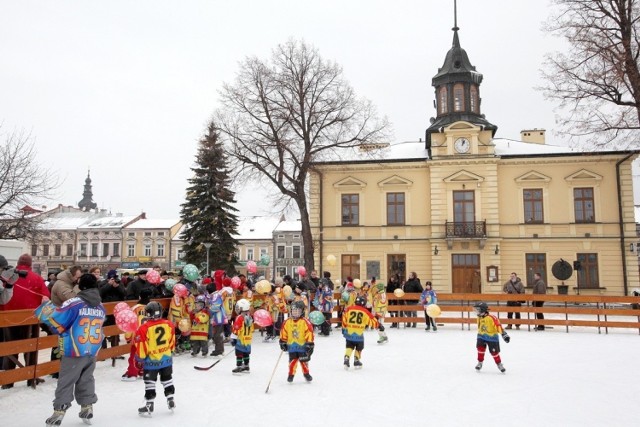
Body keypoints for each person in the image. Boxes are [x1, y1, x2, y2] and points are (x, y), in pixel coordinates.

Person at [39, 273, 106, 426]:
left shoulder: (74, 303)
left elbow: (58, 324)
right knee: (86, 377)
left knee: (67, 379)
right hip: (92, 348)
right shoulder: (100, 306)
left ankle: (59, 410)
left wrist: (46, 310)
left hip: (74, 348)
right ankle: (87, 406)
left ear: (80, 286)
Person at [0, 253, 50, 389]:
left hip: (8, 318)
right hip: (30, 319)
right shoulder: (37, 278)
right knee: (30, 348)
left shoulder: (8, 275)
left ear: (18, 262)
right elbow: (46, 296)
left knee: (10, 349)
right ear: (30, 264)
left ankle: (8, 381)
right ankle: (30, 377)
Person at [134, 301, 176, 416]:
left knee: (150, 382)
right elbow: (171, 341)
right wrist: (170, 351)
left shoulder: (143, 328)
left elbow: (142, 345)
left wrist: (139, 358)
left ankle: (149, 404)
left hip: (151, 361)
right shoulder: (168, 324)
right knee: (167, 379)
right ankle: (170, 398)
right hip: (166, 359)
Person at [279, 300, 315, 382]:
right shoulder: (287, 322)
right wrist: (283, 341)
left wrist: (309, 343)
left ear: (302, 312)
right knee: (292, 362)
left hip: (302, 346)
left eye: (297, 311)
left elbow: (309, 332)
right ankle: (291, 374)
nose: (295, 313)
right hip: (292, 346)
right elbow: (283, 332)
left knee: (304, 362)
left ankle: (306, 374)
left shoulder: (305, 322)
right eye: (294, 311)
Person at [342, 296, 379, 369]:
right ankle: (356, 360)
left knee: (349, 346)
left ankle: (347, 357)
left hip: (349, 333)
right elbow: (371, 320)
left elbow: (344, 319)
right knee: (359, 347)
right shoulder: (365, 311)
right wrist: (378, 325)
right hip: (359, 335)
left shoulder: (349, 309)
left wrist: (344, 329)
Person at [473, 301, 510, 373]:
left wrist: (504, 334)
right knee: (480, 349)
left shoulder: (492, 318)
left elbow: (498, 325)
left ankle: (499, 364)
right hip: (481, 336)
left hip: (492, 337)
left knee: (494, 352)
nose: (476, 312)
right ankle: (480, 362)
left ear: (483, 310)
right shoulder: (479, 317)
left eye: (477, 310)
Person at [99, 269, 125, 350]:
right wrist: (108, 285)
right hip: (105, 310)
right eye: (111, 278)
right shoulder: (102, 283)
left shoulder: (119, 283)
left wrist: (117, 287)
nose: (113, 280)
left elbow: (124, 294)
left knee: (115, 329)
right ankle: (104, 349)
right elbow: (100, 293)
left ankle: (115, 349)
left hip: (117, 309)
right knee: (103, 329)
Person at [231, 298, 254, 374]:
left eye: (238, 307)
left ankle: (239, 366)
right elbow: (252, 329)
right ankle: (246, 365)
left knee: (239, 353)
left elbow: (236, 329)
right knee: (246, 353)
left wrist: (233, 338)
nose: (237, 309)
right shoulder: (250, 317)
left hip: (240, 339)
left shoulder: (239, 318)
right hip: (248, 340)